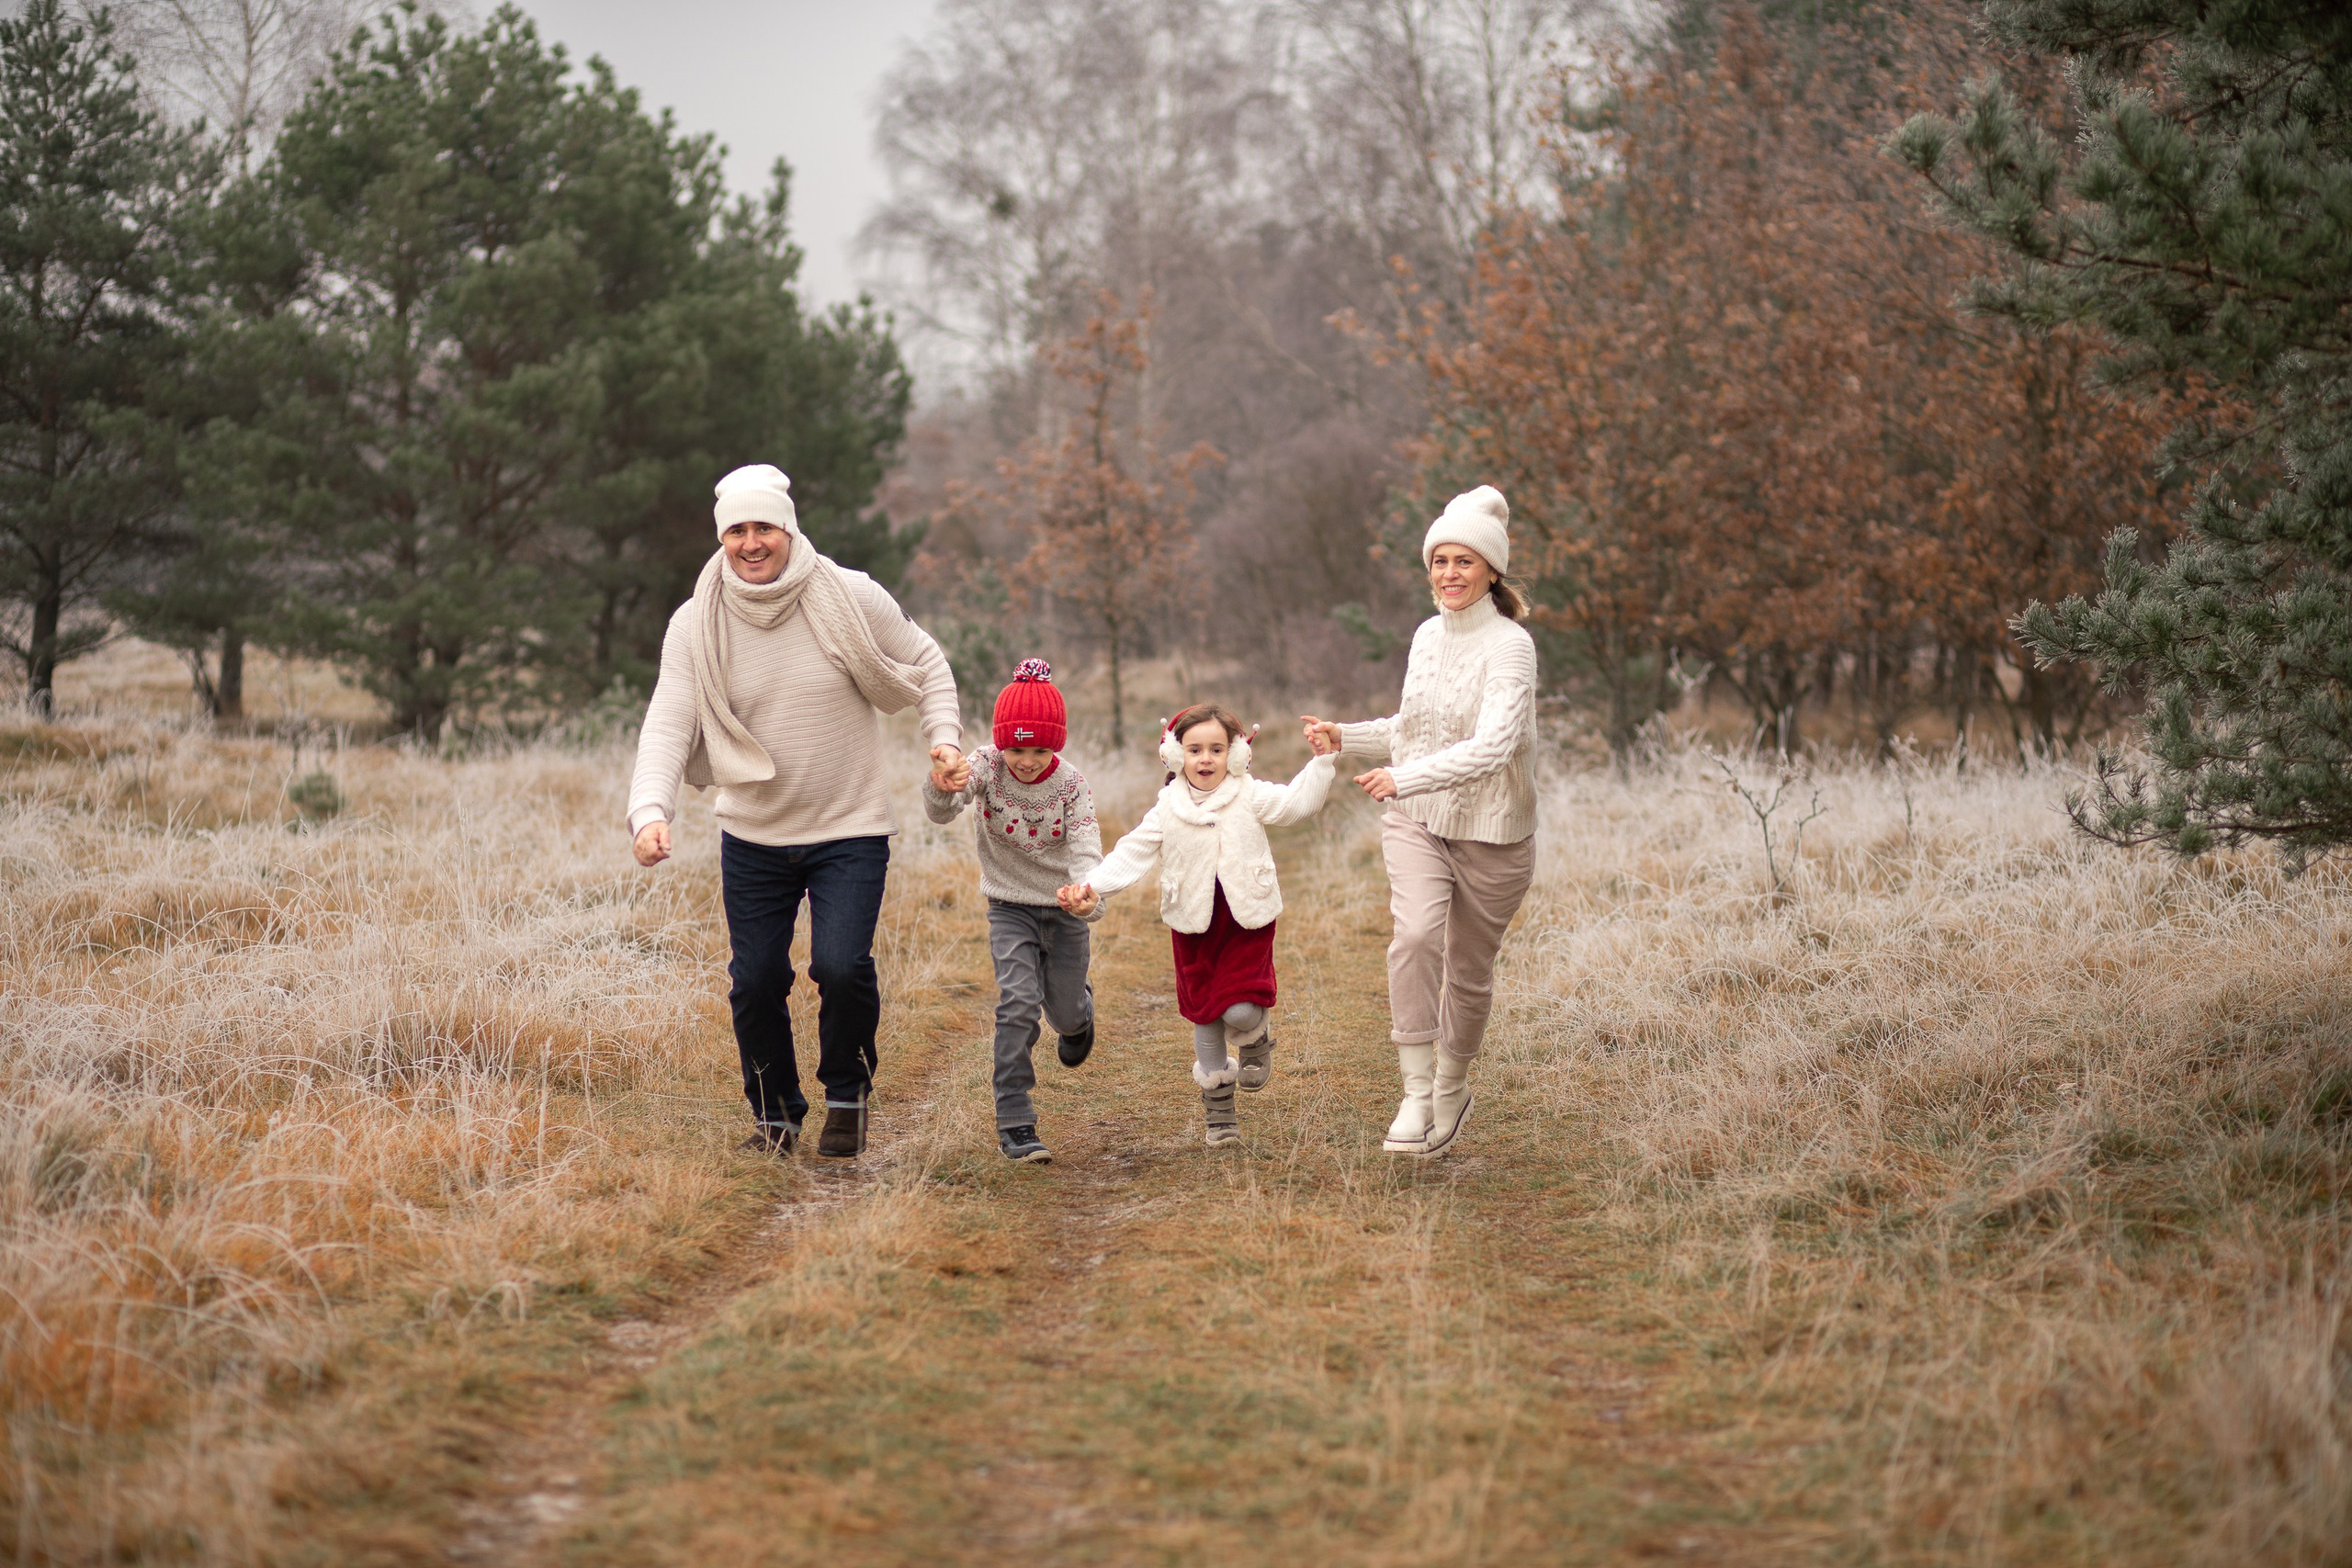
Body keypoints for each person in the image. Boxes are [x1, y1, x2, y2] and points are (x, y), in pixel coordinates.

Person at [627, 463, 964, 1159]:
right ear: (723, 536)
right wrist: (649, 811)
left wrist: (944, 739)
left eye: (764, 528)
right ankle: (775, 1115)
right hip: (752, 832)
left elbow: (927, 660)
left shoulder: (847, 593)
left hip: (850, 827)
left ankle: (848, 1095)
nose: (751, 543)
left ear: (788, 528)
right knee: (755, 981)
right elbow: (668, 720)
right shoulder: (696, 621)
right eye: (737, 531)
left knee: (840, 967)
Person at [1302, 484, 1537, 1158]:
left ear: (1492, 570)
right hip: (1418, 819)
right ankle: (1414, 1090)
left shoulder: (1511, 647)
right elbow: (1417, 726)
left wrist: (1404, 774)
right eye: (1441, 561)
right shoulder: (1427, 636)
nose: (1451, 574)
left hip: (1494, 834)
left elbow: (1494, 747)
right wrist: (1346, 736)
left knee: (1467, 971)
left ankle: (1451, 1087)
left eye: (1465, 561)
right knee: (1413, 937)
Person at [1058, 705, 1336, 1146]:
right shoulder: (1168, 807)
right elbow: (1133, 852)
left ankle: (1256, 1036)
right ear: (1174, 754)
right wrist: (1092, 886)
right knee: (1206, 1016)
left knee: (1240, 1009)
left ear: (1237, 754)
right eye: (1194, 749)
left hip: (1246, 919)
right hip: (1193, 926)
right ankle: (1220, 1115)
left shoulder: (1248, 793)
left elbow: (1296, 804)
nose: (1205, 759)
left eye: (1217, 749)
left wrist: (1321, 762)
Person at [922, 659, 1102, 1165]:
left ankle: (1079, 1014)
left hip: (1064, 911)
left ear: (1056, 745)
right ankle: (1016, 1120)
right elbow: (943, 811)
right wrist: (942, 785)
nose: (1025, 760)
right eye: (1017, 748)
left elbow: (1088, 849)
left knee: (1063, 1012)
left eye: (1039, 749)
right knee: (1018, 1002)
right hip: (1009, 908)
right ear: (1002, 743)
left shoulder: (1071, 785)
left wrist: (1089, 896)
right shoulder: (985, 764)